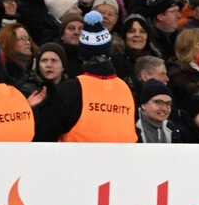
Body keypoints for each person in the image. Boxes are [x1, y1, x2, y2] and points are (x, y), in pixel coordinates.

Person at [42, 11, 137, 142]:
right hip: (121, 161)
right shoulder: (126, 89)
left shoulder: (70, 89)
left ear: (82, 54)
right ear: (109, 53)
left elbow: (46, 134)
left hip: (77, 160)